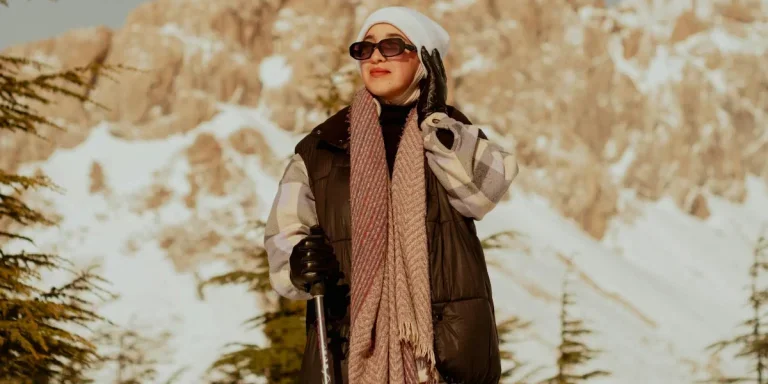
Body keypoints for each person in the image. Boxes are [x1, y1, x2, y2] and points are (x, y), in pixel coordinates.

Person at [264, 6, 519, 384]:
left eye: (393, 45)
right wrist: (299, 263)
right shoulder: (321, 150)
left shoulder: (448, 136)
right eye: (365, 48)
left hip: (442, 359)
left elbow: (483, 192)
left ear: (425, 59)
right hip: (347, 353)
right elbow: (283, 240)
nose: (376, 56)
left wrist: (435, 120)